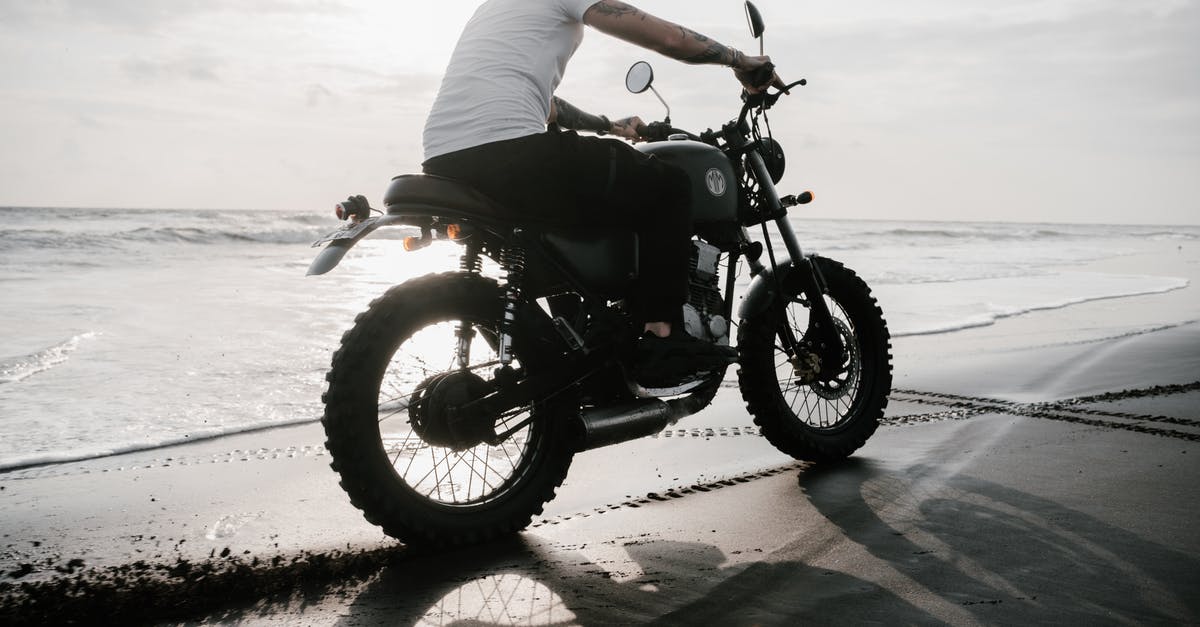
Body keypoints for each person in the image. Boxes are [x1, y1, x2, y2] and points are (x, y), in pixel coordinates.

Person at [421, 0, 785, 382]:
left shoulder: (494, 9)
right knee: (669, 185)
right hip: (512, 150)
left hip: (445, 159)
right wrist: (741, 60)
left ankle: (576, 345)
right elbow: (667, 39)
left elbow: (544, 106)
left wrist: (611, 126)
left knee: (564, 234)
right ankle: (660, 338)